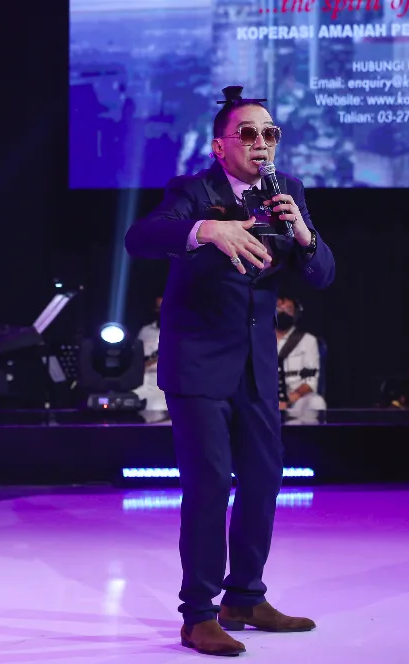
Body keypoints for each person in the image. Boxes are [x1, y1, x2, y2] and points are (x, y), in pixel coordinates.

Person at [125, 85, 335, 656]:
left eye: (270, 133)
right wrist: (205, 229)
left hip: (256, 367)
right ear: (221, 146)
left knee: (264, 479)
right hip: (197, 364)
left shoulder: (287, 192)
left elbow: (322, 274)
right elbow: (140, 238)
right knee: (210, 483)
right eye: (248, 133)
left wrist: (304, 234)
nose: (261, 143)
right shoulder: (193, 191)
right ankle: (197, 614)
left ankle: (244, 597)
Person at [275, 295, 326, 418]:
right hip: (266, 400)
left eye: (288, 309)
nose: (283, 311)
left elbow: (310, 381)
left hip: (296, 400)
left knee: (316, 403)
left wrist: (287, 401)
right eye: (279, 307)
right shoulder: (259, 341)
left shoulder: (307, 341)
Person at [133, 296, 168, 422]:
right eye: (159, 308)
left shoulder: (183, 333)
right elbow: (137, 359)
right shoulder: (146, 331)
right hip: (143, 384)